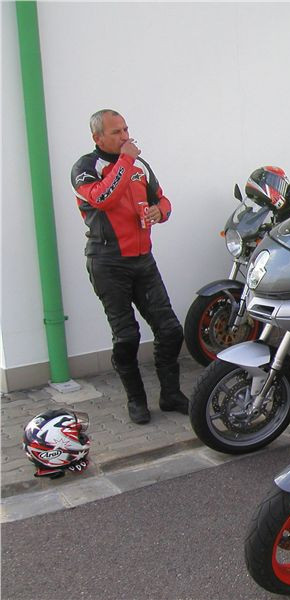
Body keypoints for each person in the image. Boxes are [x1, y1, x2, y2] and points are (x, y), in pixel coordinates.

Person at [71, 109, 189, 424]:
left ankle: (170, 394)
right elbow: (102, 198)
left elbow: (163, 201)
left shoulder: (140, 165)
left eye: (126, 129)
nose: (125, 136)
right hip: (108, 263)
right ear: (97, 138)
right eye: (116, 132)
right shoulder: (86, 167)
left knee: (170, 330)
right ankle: (136, 401)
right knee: (127, 337)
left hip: (143, 260)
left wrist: (159, 212)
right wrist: (125, 160)